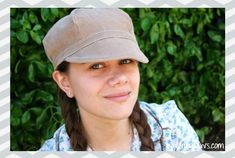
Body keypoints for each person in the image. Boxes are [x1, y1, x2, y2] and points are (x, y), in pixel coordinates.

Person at [39, 8, 202, 151]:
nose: (120, 79)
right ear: (64, 82)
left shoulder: (170, 127)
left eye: (126, 61)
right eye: (96, 66)